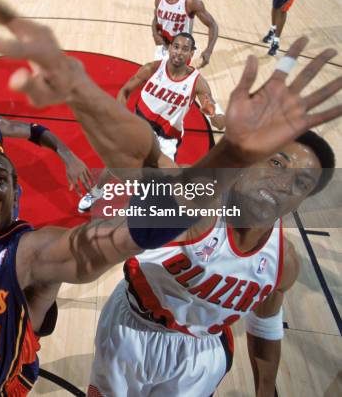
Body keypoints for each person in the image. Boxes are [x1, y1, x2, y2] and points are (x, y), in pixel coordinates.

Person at [0, 0, 341, 396]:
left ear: (14, 198)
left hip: (187, 351)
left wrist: (226, 151)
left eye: (1, 177)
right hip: (126, 327)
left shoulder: (27, 250)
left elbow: (119, 236)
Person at [88, 130, 335, 397]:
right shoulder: (195, 201)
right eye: (276, 163)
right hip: (131, 327)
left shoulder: (283, 263)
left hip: (200, 353)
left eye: (301, 183)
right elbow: (140, 165)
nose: (284, 183)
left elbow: (265, 324)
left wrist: (265, 389)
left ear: (302, 202)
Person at [78, 32, 225, 212]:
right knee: (115, 165)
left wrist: (215, 114)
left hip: (167, 138)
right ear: (170, 48)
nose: (179, 52)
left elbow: (218, 122)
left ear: (191, 54)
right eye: (176, 47)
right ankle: (97, 191)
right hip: (140, 126)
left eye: (185, 49)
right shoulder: (152, 69)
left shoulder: (198, 83)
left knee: (164, 183)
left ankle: (151, 213)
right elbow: (125, 91)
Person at [152, 0, 219, 68]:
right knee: (156, 79)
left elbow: (213, 25)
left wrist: (209, 50)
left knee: (174, 82)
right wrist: (155, 34)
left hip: (180, 52)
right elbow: (155, 18)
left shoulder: (191, 2)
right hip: (162, 48)